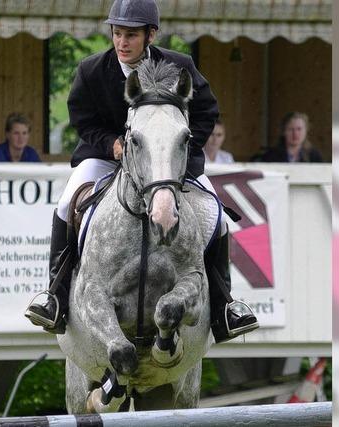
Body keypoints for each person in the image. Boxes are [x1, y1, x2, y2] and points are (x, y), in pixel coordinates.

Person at [25, 0, 258, 343]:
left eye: (130, 35)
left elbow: (207, 111)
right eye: (117, 33)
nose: (122, 42)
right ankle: (55, 295)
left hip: (167, 165)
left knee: (217, 215)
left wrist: (180, 157)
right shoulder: (92, 70)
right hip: (108, 157)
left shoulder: (179, 66)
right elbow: (82, 120)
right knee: (64, 205)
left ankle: (225, 306)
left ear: (151, 34)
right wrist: (111, 145)